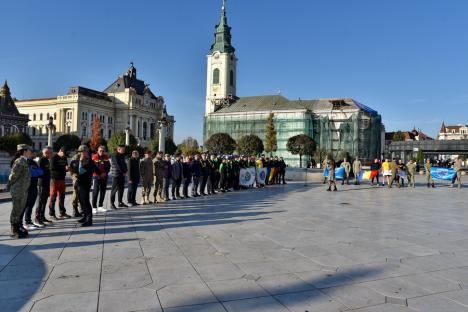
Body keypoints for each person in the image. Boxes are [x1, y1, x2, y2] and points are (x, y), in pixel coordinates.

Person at [69, 145, 100, 227]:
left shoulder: (89, 161)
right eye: (81, 152)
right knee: (81, 201)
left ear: (87, 152)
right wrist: (74, 166)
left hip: (85, 183)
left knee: (85, 201)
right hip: (78, 183)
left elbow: (81, 171)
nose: (82, 153)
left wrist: (78, 165)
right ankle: (85, 216)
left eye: (84, 152)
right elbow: (72, 167)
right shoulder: (78, 160)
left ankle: (89, 219)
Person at [8, 144, 32, 238]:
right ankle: (14, 230)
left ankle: (18, 227)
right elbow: (13, 175)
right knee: (16, 210)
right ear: (24, 151)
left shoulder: (24, 161)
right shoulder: (19, 161)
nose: (30, 152)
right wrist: (9, 185)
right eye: (29, 150)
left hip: (23, 190)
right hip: (18, 190)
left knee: (20, 209)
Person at [22, 150, 43, 230]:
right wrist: (35, 171)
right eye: (33, 153)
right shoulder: (24, 162)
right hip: (27, 186)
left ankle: (28, 221)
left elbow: (41, 172)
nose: (35, 154)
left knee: (30, 205)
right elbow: (30, 173)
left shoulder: (34, 162)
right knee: (25, 205)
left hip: (34, 186)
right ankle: (24, 223)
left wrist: (35, 170)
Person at [49, 147, 70, 220]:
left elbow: (66, 165)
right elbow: (52, 168)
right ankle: (52, 214)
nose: (64, 156)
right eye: (64, 154)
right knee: (53, 197)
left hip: (62, 179)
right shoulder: (54, 158)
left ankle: (62, 213)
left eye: (65, 155)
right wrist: (63, 168)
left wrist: (67, 168)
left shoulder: (64, 158)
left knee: (62, 197)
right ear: (60, 151)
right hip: (54, 179)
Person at [35, 147, 53, 226]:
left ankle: (42, 217)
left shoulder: (47, 160)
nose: (51, 154)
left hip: (46, 183)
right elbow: (39, 172)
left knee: (44, 201)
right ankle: (37, 218)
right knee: (40, 201)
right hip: (41, 184)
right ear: (46, 153)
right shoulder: (41, 160)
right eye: (50, 153)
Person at [92, 146, 110, 211]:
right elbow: (94, 167)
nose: (102, 152)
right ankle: (94, 207)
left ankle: (100, 206)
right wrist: (100, 174)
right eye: (100, 151)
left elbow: (108, 166)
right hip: (96, 176)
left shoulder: (106, 157)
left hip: (104, 177)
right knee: (95, 191)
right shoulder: (94, 157)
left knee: (103, 191)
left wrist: (105, 173)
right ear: (98, 151)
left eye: (103, 151)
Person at [110, 145, 128, 209]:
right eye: (122, 149)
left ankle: (120, 202)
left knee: (121, 189)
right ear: (118, 149)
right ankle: (112, 204)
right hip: (116, 175)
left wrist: (126, 171)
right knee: (114, 190)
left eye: (124, 149)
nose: (124, 150)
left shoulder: (122, 155)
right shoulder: (114, 155)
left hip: (122, 175)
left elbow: (125, 164)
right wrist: (123, 172)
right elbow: (117, 165)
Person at [70, 152, 82, 217]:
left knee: (81, 193)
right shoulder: (75, 158)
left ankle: (81, 209)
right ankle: (75, 210)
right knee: (76, 193)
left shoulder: (85, 157)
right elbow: (74, 168)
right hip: (76, 177)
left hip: (82, 177)